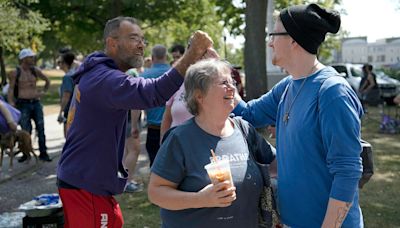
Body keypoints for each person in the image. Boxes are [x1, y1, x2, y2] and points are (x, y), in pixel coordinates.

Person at [56, 16, 213, 228]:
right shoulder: (105, 79)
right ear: (112, 43)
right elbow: (153, 93)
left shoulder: (96, 73)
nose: (141, 45)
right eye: (133, 38)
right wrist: (191, 54)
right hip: (86, 185)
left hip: (84, 181)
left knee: (115, 221)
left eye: (142, 39)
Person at [233, 4, 364, 227]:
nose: (269, 42)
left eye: (273, 35)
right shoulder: (287, 86)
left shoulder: (332, 92)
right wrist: (223, 79)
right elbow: (249, 114)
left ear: (293, 40)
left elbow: (348, 172)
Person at [148, 59, 276, 227]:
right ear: (199, 95)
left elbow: (279, 164)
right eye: (224, 82)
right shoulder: (180, 138)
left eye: (233, 82)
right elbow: (155, 192)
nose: (232, 88)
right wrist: (200, 199)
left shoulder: (244, 130)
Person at [7, 48, 52, 162]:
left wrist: (43, 92)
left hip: (35, 103)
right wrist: (11, 103)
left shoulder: (35, 70)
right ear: (23, 58)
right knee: (25, 131)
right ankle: (26, 153)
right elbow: (11, 89)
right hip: (23, 104)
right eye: (30, 57)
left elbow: (47, 80)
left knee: (40, 128)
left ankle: (43, 153)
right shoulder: (15, 72)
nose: (33, 59)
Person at [139, 44, 170, 167]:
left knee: (154, 162)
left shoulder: (144, 76)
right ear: (166, 56)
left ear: (152, 57)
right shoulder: (176, 74)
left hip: (153, 127)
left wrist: (135, 126)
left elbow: (136, 104)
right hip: (172, 127)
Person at [123, 68, 143, 193]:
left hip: (122, 119)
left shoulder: (121, 72)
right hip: (130, 120)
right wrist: (135, 125)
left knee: (127, 151)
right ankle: (127, 182)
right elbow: (136, 103)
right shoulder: (133, 73)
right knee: (134, 150)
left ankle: (124, 180)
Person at [57, 51, 76, 137]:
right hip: (77, 108)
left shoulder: (67, 77)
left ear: (64, 63)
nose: (58, 64)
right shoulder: (75, 74)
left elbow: (66, 96)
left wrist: (60, 112)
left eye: (59, 62)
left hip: (69, 110)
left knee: (68, 137)